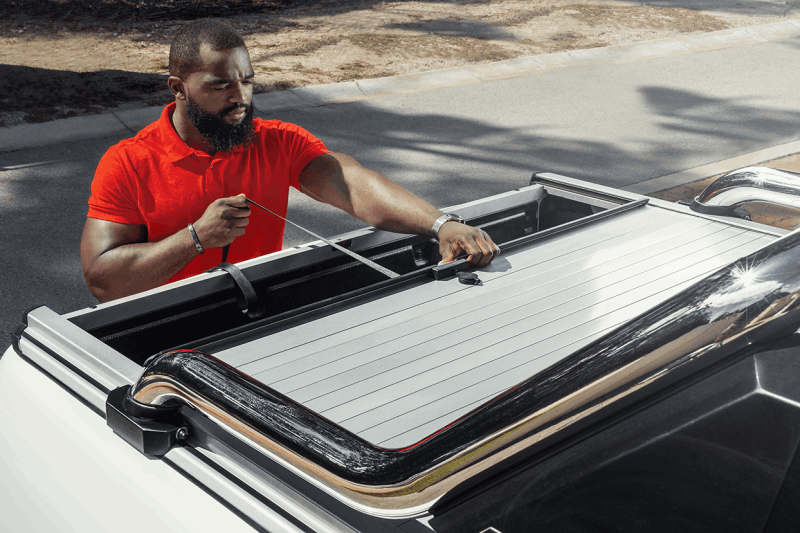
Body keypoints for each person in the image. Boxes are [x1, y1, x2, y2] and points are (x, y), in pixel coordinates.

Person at [80, 19, 499, 303]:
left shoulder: (276, 141)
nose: (240, 98)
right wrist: (196, 238)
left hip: (258, 313)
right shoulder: (128, 163)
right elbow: (102, 282)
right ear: (178, 88)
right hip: (160, 330)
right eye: (221, 85)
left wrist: (442, 224)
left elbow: (354, 186)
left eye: (247, 81)